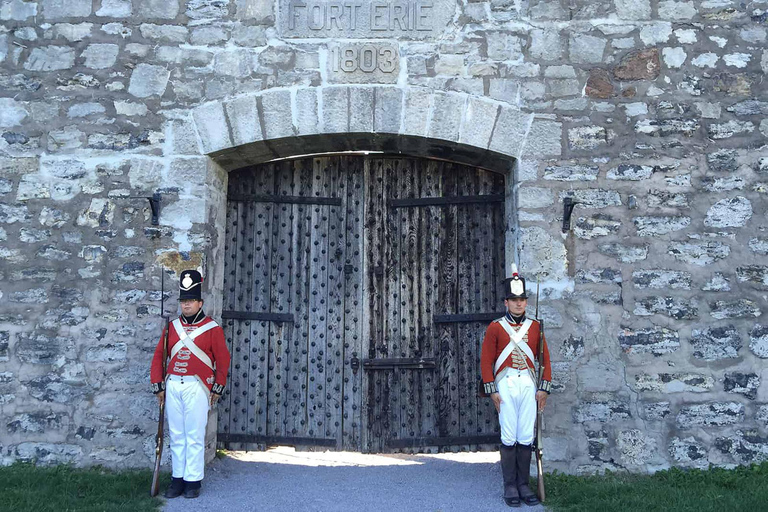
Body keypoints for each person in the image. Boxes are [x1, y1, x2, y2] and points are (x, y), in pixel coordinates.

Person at [150, 270, 231, 499]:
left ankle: (193, 481)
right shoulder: (172, 327)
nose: (186, 305)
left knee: (194, 435)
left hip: (198, 386)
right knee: (176, 435)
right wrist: (158, 383)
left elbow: (223, 359)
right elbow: (159, 356)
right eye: (183, 301)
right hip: (174, 384)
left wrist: (218, 385)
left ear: (200, 302)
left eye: (190, 301)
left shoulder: (212, 328)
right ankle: (177, 479)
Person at [480, 264, 551, 507]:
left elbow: (545, 359)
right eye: (514, 300)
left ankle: (523, 484)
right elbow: (486, 360)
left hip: (529, 385)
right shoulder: (496, 327)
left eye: (522, 299)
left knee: (525, 435)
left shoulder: (536, 327)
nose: (519, 304)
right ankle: (510, 485)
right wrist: (492, 391)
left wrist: (543, 388)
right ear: (506, 303)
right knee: (509, 435)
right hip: (507, 385)